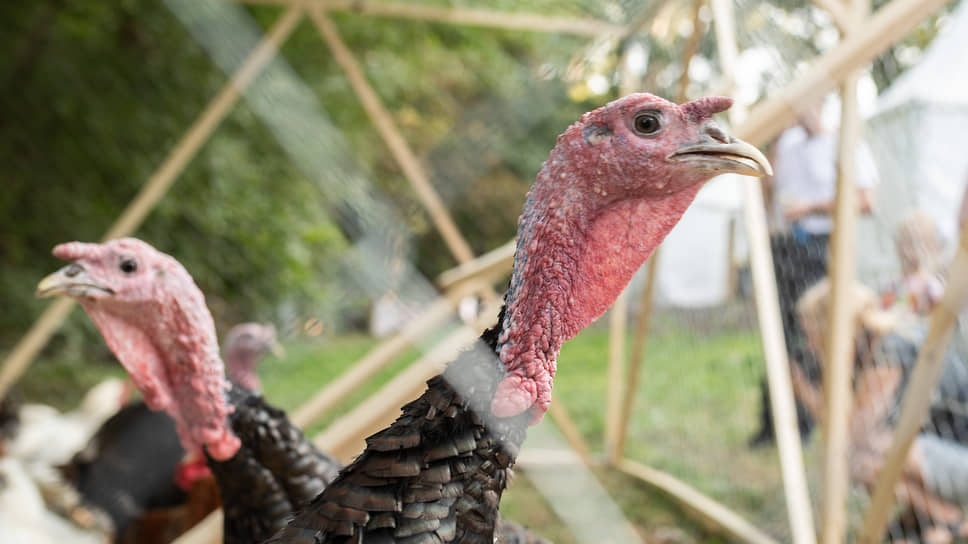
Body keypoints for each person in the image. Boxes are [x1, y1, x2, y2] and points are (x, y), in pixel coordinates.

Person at [790, 280, 968, 544]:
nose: (808, 344)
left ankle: (951, 521)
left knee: (860, 454)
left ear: (832, 328)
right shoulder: (872, 347)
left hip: (960, 459)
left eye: (811, 333)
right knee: (862, 454)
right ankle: (932, 518)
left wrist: (803, 389)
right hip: (945, 456)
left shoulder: (890, 349)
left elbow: (853, 431)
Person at [749, 99, 880, 447]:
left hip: (822, 246)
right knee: (777, 333)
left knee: (814, 337)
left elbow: (866, 201)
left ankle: (805, 423)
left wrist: (813, 206)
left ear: (821, 103)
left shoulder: (844, 142)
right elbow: (765, 184)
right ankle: (771, 422)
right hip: (785, 245)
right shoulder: (785, 145)